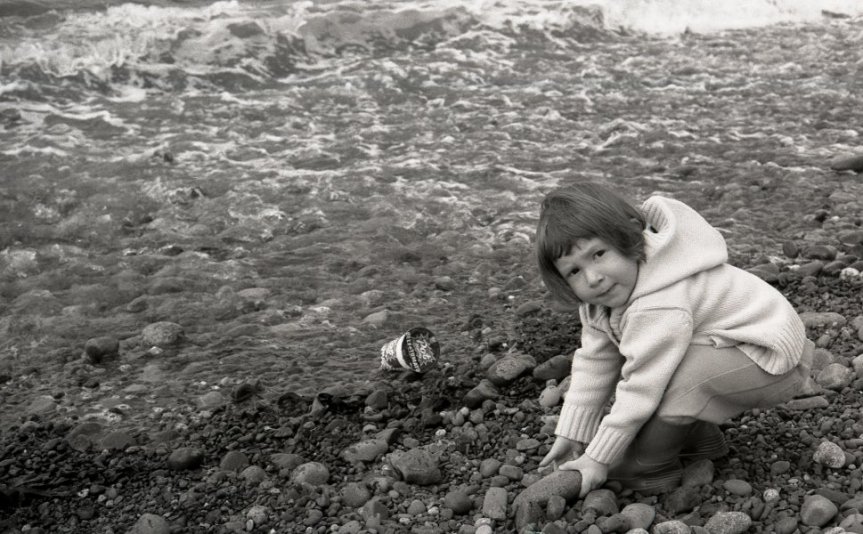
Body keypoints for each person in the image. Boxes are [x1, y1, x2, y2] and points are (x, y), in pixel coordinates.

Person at [535, 182, 813, 496]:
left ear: (627, 236)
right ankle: (698, 440)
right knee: (672, 362)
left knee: (671, 378)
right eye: (573, 271)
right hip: (736, 344)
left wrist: (599, 458)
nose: (593, 278)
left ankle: (649, 465)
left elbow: (642, 387)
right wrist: (572, 432)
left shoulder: (658, 303)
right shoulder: (603, 300)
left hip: (773, 357)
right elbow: (594, 362)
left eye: (598, 254)